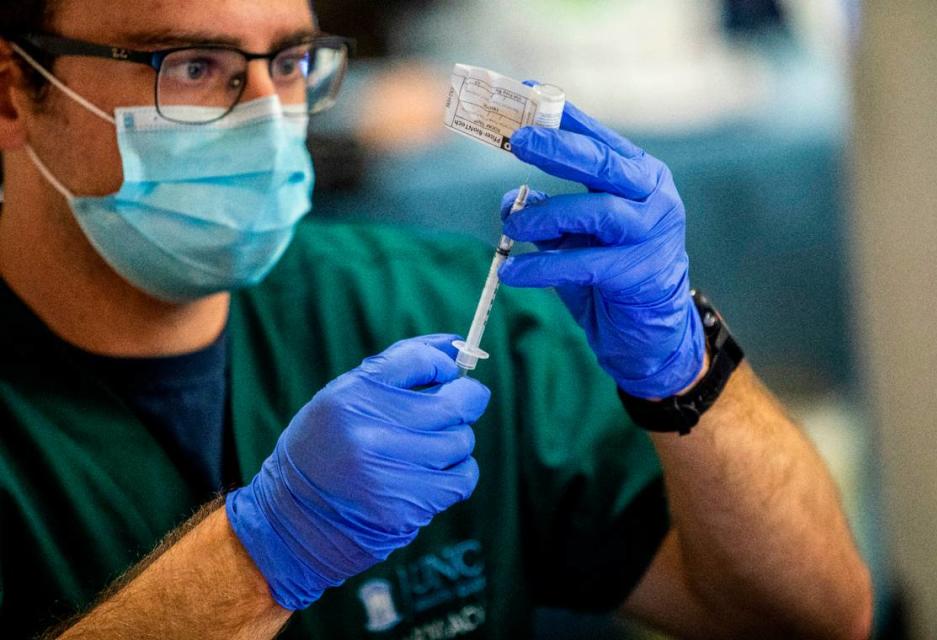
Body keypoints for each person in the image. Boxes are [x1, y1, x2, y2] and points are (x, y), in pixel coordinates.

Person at [0, 0, 873, 638]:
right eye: (192, 66)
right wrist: (262, 553)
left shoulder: (439, 310)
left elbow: (816, 617)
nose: (269, 118)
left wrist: (689, 371)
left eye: (294, 64)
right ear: (12, 92)